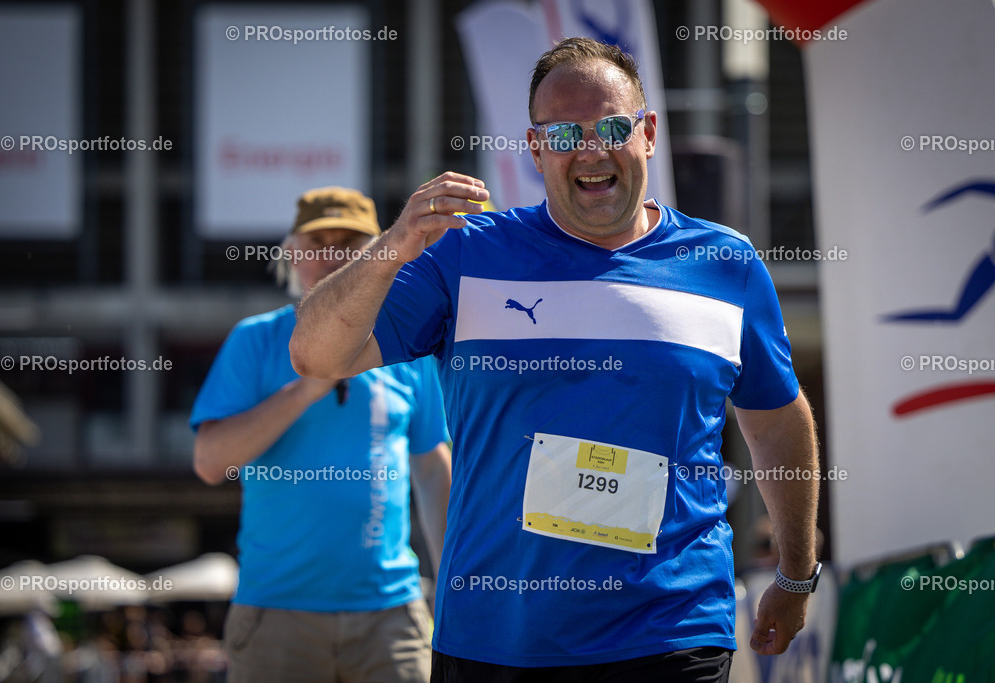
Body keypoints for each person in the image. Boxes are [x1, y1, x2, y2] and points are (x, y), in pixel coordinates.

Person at [289, 38, 820, 681]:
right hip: (496, 638)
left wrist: (796, 574)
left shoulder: (726, 265)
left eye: (612, 127)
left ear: (649, 134)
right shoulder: (466, 254)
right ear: (537, 149)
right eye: (566, 133)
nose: (592, 150)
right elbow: (316, 355)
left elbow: (776, 423)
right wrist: (393, 247)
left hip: (670, 630)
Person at [191, 187, 451, 683]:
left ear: (378, 255)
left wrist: (454, 585)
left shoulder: (410, 349)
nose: (332, 256)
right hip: (276, 614)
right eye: (318, 243)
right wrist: (307, 385)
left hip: (390, 613)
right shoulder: (256, 339)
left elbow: (433, 471)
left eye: (349, 244)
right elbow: (209, 462)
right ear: (292, 255)